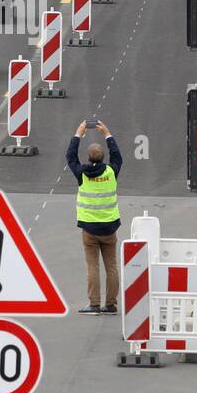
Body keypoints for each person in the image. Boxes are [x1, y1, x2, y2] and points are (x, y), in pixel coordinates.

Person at [67, 120, 123, 315]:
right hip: (110, 228)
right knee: (112, 267)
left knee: (93, 267)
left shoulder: (82, 173)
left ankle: (94, 303)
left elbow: (70, 156)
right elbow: (118, 156)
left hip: (89, 229)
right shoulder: (111, 172)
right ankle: (111, 305)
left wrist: (78, 133)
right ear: (103, 157)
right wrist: (107, 133)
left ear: (88, 157)